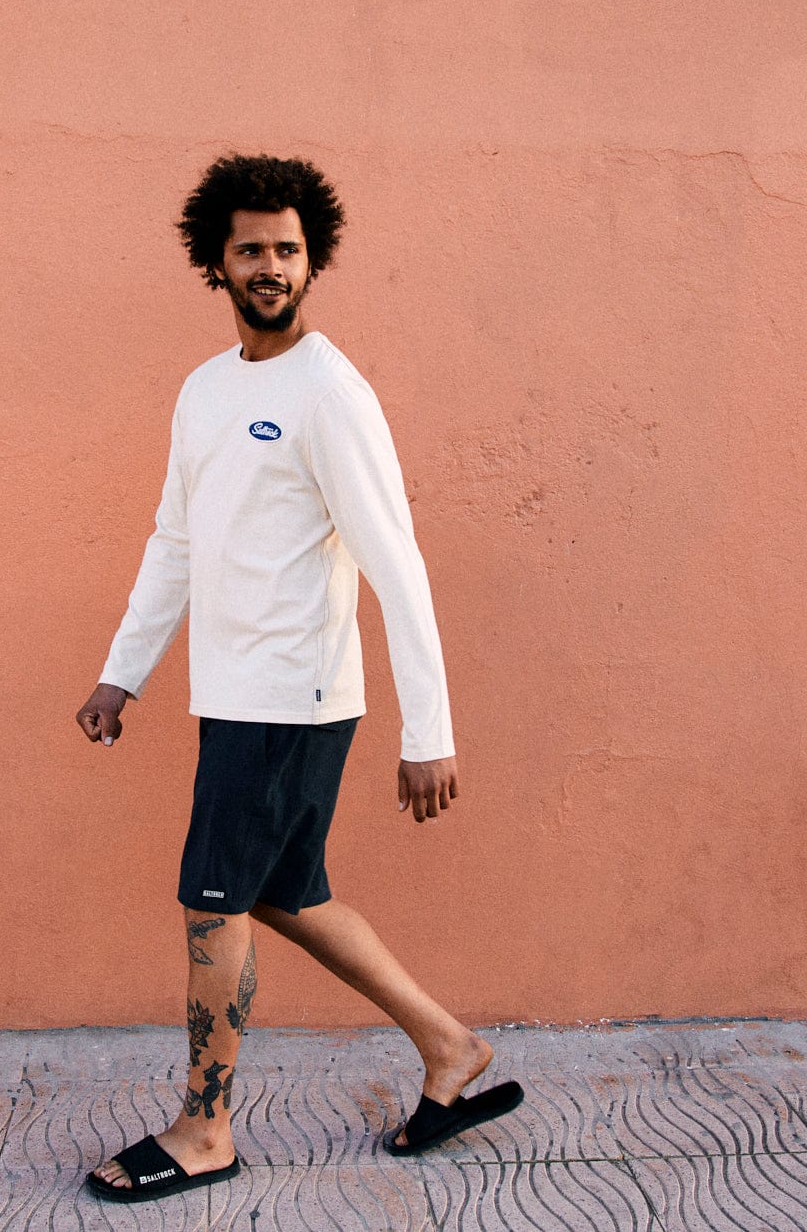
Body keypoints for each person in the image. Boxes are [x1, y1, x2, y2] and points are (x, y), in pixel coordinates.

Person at [77, 155, 522, 1204]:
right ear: (215, 263)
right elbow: (173, 541)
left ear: (311, 256)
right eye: (250, 250)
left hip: (294, 700)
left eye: (286, 248)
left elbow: (395, 558)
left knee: (213, 904)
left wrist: (431, 730)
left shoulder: (330, 390)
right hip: (230, 696)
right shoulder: (205, 390)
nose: (269, 265)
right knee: (284, 892)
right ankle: (450, 1050)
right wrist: (120, 673)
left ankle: (204, 1128)